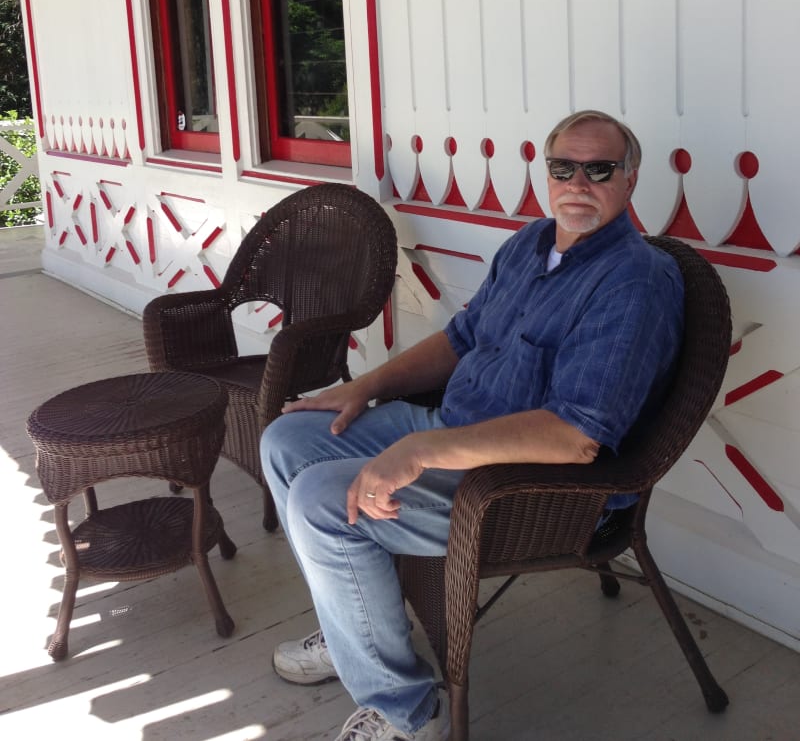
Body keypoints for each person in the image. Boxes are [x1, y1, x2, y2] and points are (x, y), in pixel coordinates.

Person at [260, 110, 684, 741]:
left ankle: (408, 712)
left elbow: (576, 435)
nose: (579, 183)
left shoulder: (634, 282)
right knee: (287, 440)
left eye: (599, 169)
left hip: (528, 487)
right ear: (547, 173)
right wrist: (366, 386)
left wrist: (422, 450)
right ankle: (356, 629)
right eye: (564, 167)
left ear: (630, 179)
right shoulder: (530, 244)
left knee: (322, 501)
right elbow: (460, 340)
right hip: (455, 424)